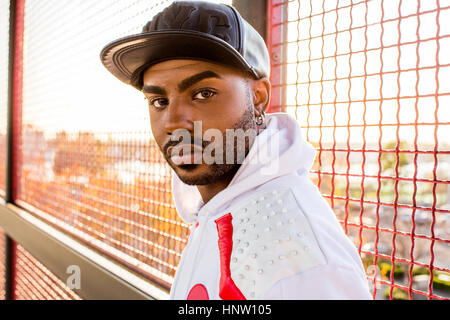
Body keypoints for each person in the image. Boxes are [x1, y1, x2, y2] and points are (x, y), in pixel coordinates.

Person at [101, 0, 371, 300]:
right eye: (159, 101)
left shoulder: (299, 261)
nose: (174, 122)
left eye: (203, 93)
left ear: (258, 98)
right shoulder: (218, 209)